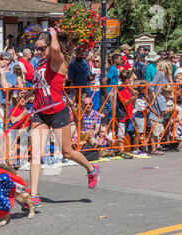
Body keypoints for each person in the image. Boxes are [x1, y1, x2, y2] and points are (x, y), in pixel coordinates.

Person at [29, 28, 100, 209]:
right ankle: (34, 195)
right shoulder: (40, 64)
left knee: (67, 152)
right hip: (40, 111)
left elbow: (55, 49)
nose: (39, 52)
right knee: (35, 154)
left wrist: (53, 32)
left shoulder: (58, 62)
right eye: (36, 49)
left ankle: (92, 170)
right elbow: (42, 85)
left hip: (58, 112)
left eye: (42, 48)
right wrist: (30, 92)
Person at [115, 69, 134, 158]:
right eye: (131, 78)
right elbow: (124, 102)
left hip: (127, 113)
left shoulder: (127, 87)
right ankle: (121, 150)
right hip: (122, 113)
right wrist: (131, 99)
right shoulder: (121, 88)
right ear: (127, 80)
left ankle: (121, 149)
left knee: (124, 131)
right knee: (121, 133)